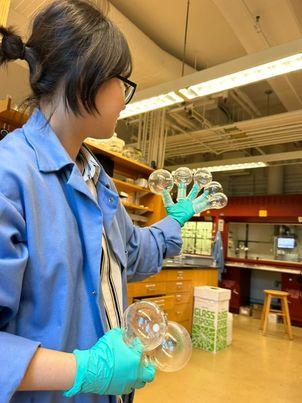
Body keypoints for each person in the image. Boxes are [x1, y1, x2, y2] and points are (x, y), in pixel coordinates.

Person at [0, 1, 208, 402]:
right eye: (123, 82)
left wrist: (175, 220)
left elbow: (128, 255)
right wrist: (86, 370)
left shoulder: (98, 179)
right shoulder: (10, 178)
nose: (125, 97)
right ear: (87, 74)